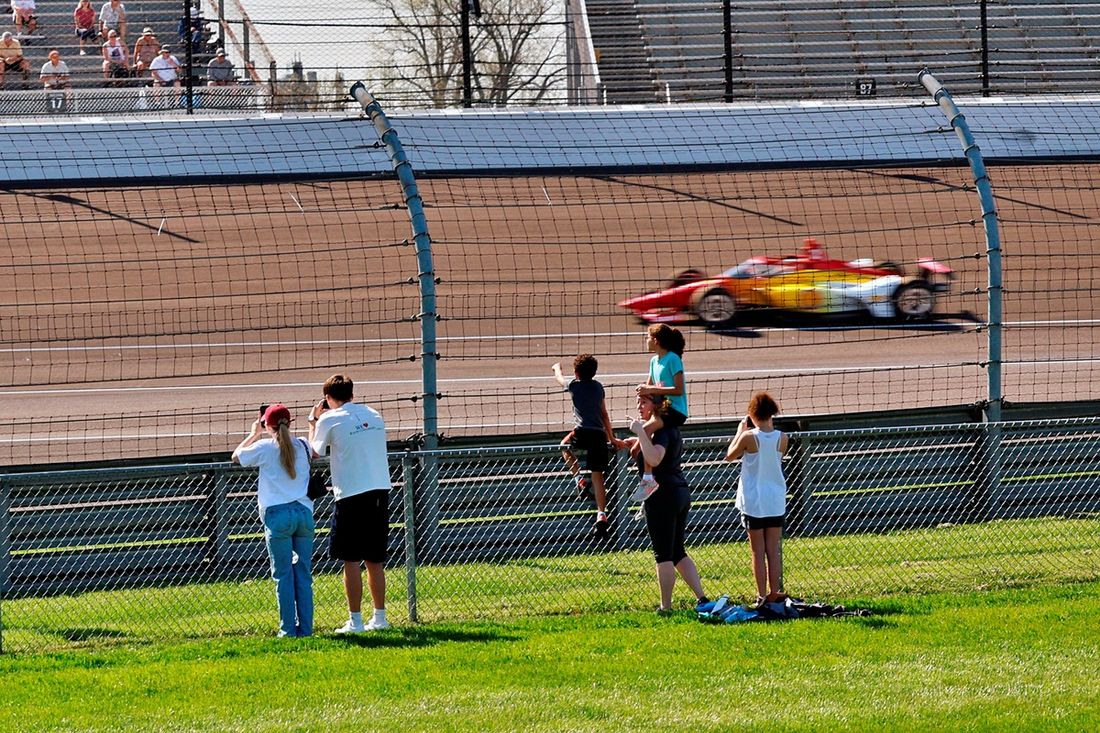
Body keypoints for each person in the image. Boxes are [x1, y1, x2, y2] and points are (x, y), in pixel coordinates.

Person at [308, 374, 392, 633]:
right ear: (352, 394)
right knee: (374, 560)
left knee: (351, 560)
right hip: (379, 489)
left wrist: (313, 421)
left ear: (327, 398)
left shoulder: (329, 419)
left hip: (352, 494)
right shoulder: (374, 414)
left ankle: (355, 620)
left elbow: (313, 451)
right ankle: (380, 617)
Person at [232, 404, 315, 637]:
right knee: (303, 574)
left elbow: (236, 456)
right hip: (303, 514)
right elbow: (316, 450)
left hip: (278, 516)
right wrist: (312, 424)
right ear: (289, 422)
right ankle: (306, 629)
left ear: (266, 425)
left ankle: (287, 630)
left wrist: (253, 434)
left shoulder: (264, 447)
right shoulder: (303, 446)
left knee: (283, 575)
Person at [625, 392, 708, 613]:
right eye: (637, 402)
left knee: (663, 555)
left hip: (664, 496)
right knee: (678, 552)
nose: (639, 406)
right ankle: (702, 598)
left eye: (644, 402)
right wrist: (638, 439)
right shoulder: (666, 429)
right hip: (679, 492)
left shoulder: (660, 431)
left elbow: (654, 458)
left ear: (657, 405)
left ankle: (666, 607)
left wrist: (640, 432)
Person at [725, 392, 789, 607]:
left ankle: (761, 595)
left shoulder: (749, 437)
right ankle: (775, 592)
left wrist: (738, 432)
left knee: (757, 551)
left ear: (752, 414)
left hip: (754, 500)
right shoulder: (782, 437)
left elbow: (729, 455)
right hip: (775, 499)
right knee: (773, 550)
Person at [552, 355, 625, 539]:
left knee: (564, 446)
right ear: (595, 372)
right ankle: (601, 513)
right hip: (599, 434)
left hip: (581, 432)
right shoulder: (598, 387)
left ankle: (579, 479)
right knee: (598, 476)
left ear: (576, 373)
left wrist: (556, 369)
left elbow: (560, 379)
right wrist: (612, 438)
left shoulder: (574, 386)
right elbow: (604, 414)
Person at [634, 323, 688, 501]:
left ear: (656, 340)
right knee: (636, 448)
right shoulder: (653, 361)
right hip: (660, 409)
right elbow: (651, 388)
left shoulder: (673, 359)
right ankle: (646, 480)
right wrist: (643, 394)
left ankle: (649, 480)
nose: (646, 340)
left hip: (674, 409)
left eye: (648, 337)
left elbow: (678, 389)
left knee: (646, 431)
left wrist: (650, 388)